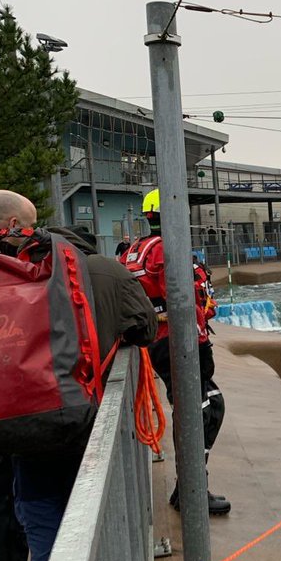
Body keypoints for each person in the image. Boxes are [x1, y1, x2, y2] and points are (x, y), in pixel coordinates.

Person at [0, 189, 157, 561]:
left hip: (20, 421)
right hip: (85, 419)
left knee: (40, 517)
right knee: (92, 517)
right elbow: (145, 329)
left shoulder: (10, 274)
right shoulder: (101, 270)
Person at [120, 188, 230, 515]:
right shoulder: (167, 250)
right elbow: (182, 302)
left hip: (157, 342)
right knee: (203, 411)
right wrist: (201, 343)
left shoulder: (135, 249)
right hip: (176, 344)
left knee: (203, 408)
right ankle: (192, 490)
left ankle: (189, 487)